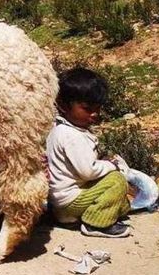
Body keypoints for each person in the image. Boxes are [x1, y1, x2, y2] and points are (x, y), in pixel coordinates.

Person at [46, 67, 131, 237]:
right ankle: (96, 224)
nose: (94, 114)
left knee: (119, 198)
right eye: (87, 108)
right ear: (63, 106)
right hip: (69, 201)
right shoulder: (71, 136)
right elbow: (88, 171)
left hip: (61, 200)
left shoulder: (62, 129)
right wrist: (110, 165)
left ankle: (74, 217)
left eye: (97, 108)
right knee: (116, 181)